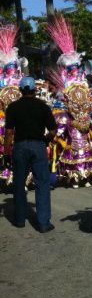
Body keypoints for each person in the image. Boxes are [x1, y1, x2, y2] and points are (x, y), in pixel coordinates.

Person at [3, 76, 57, 232]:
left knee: (19, 183)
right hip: (38, 146)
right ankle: (43, 223)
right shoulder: (43, 106)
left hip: (20, 147)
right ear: (34, 90)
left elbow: (9, 132)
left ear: (20, 90)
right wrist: (46, 140)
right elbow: (53, 130)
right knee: (42, 183)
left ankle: (20, 220)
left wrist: (6, 153)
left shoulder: (13, 107)